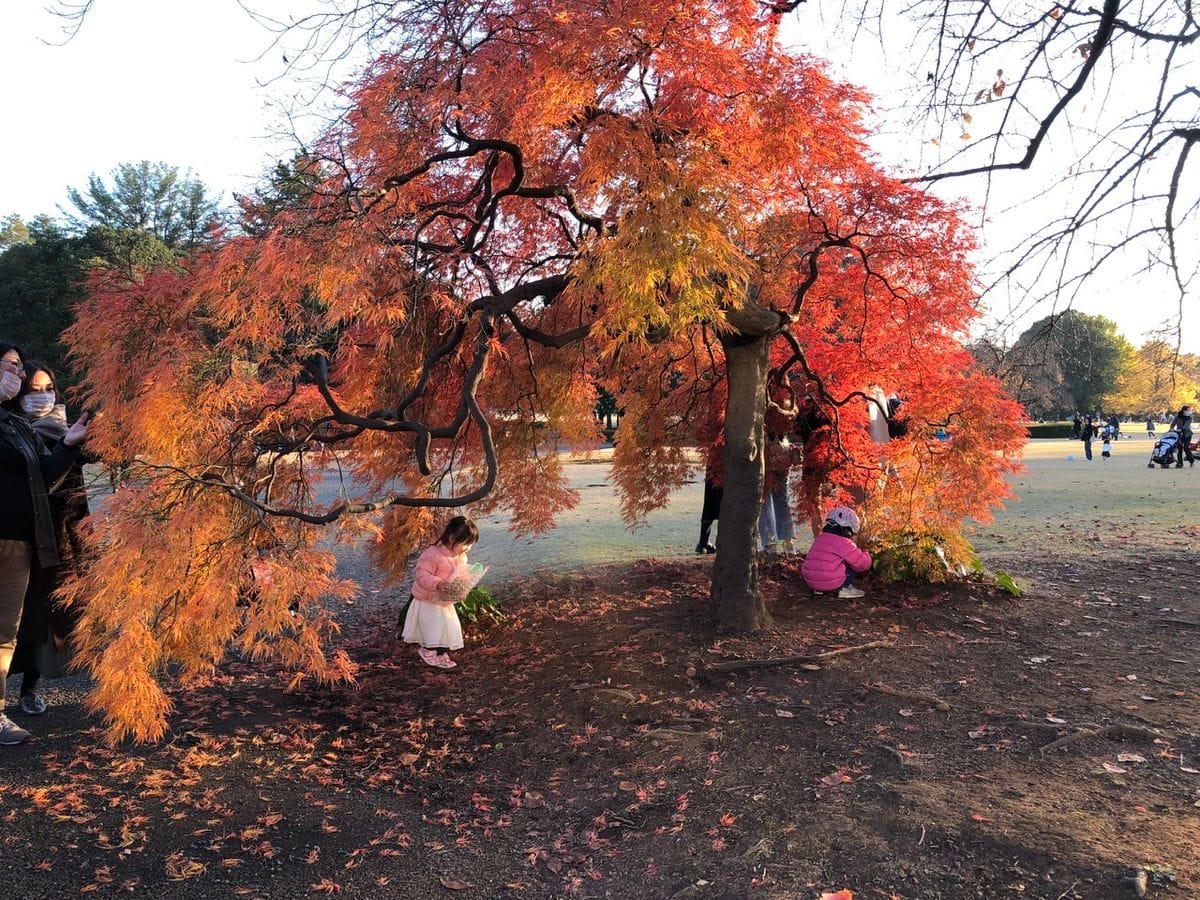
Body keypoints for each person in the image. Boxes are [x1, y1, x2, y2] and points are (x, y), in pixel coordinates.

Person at [0, 342, 88, 745]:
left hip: (26, 539)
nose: (20, 379)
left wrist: (70, 443)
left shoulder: (18, 428)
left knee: (14, 627)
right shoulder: (14, 425)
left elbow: (48, 477)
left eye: (21, 370)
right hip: (17, 536)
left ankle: (13, 702)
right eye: (13, 368)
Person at [401, 516, 480, 669]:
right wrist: (437, 583)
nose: (468, 548)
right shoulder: (432, 555)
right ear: (452, 538)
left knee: (447, 627)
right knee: (433, 627)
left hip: (445, 600)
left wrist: (464, 585)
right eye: (466, 544)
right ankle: (428, 651)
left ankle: (442, 653)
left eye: (471, 545)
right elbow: (422, 575)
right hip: (429, 600)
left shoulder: (461, 557)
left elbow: (461, 574)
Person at [800, 506, 872, 600]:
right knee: (853, 562)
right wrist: (866, 554)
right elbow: (863, 563)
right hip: (831, 583)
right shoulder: (844, 542)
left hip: (811, 581)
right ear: (848, 531)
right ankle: (844, 589)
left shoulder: (820, 538)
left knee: (825, 561)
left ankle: (819, 589)